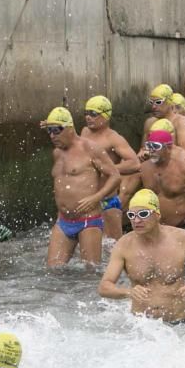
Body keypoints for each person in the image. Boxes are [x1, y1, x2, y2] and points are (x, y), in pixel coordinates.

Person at [99, 189, 185, 324]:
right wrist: (128, 292)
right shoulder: (124, 245)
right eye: (131, 215)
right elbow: (104, 287)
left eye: (143, 214)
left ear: (157, 215)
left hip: (180, 323)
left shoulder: (182, 238)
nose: (136, 220)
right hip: (142, 326)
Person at [42, 106, 121, 267]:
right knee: (52, 271)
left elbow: (115, 175)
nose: (52, 135)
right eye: (49, 131)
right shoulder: (57, 153)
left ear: (70, 129)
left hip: (88, 221)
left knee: (90, 272)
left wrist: (97, 197)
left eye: (56, 131)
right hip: (64, 221)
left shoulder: (90, 148)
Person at [79, 95, 141, 240]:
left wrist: (108, 168)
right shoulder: (84, 132)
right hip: (85, 200)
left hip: (106, 202)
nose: (88, 117)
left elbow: (134, 163)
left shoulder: (113, 138)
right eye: (86, 113)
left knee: (112, 247)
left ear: (106, 116)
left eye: (93, 114)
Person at [136, 121, 185, 239]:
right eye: (149, 146)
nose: (151, 150)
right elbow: (126, 193)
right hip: (157, 228)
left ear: (168, 148)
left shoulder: (183, 168)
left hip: (184, 226)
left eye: (155, 146)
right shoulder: (144, 168)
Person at [144, 84, 185, 152]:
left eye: (158, 102)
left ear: (169, 102)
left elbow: (184, 152)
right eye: (151, 102)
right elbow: (144, 149)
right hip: (153, 160)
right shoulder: (149, 122)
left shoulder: (181, 122)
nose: (153, 106)